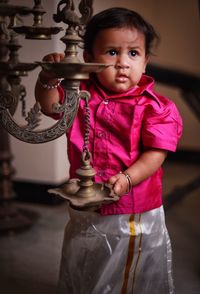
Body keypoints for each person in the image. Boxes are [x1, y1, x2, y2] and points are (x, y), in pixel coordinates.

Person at [35, 7, 183, 294]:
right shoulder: (78, 93)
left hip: (133, 208)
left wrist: (127, 178)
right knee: (88, 257)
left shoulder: (156, 106)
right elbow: (48, 104)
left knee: (125, 269)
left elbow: (156, 154)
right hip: (86, 202)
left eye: (133, 53)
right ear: (89, 60)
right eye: (112, 52)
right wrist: (49, 77)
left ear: (146, 61)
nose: (123, 64)